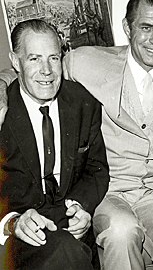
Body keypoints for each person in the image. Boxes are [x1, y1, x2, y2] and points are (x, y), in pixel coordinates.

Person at [0, 0, 153, 270]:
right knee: (121, 232)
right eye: (146, 27)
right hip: (112, 191)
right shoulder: (87, 62)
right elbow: (37, 68)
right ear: (127, 27)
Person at [0, 19, 109, 269]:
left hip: (71, 231)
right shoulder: (3, 111)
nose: (47, 70)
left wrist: (82, 207)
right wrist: (11, 222)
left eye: (54, 58)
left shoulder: (83, 103)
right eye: (34, 59)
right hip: (18, 236)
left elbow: (96, 169)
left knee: (68, 249)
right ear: (16, 62)